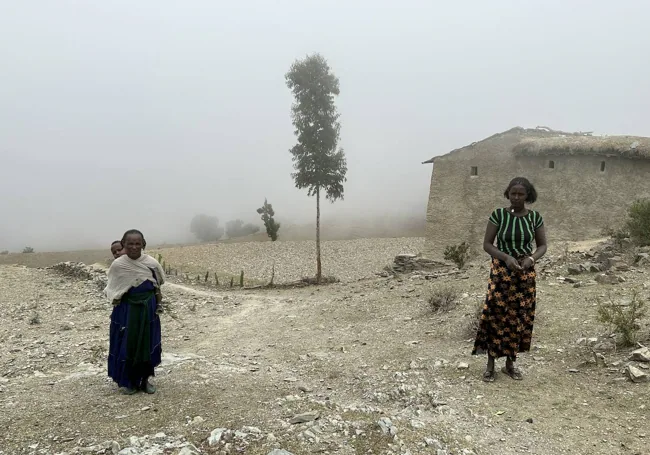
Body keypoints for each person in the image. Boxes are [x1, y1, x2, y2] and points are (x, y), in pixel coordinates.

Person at [472, 177, 547, 382]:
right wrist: (505, 258)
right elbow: (487, 244)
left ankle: (510, 364)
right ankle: (490, 364)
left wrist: (531, 259)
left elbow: (542, 246)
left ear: (527, 196)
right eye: (513, 193)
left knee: (518, 317)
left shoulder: (534, 218)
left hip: (524, 273)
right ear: (508, 193)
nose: (516, 197)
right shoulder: (498, 215)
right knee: (495, 315)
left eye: (520, 194)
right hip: (501, 271)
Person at [104, 229, 165, 394]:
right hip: (127, 310)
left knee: (146, 343)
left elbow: (158, 282)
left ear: (143, 244)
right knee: (128, 344)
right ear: (123, 244)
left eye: (137, 243)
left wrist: (157, 302)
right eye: (130, 243)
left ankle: (145, 381)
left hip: (148, 309)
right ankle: (128, 382)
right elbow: (113, 288)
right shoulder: (118, 265)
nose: (133, 247)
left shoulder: (151, 263)